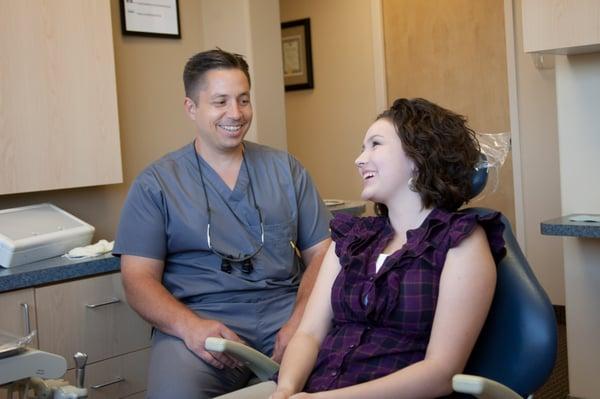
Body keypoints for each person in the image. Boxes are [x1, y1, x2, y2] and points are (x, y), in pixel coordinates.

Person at [222, 98, 507, 399]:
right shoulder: (351, 238)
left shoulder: (460, 242)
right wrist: (286, 390)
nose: (360, 159)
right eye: (362, 147)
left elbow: (440, 372)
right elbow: (308, 334)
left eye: (375, 144)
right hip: (312, 389)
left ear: (418, 156)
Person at [113, 49, 331, 398]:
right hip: (201, 324)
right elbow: (137, 279)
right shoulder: (157, 183)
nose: (236, 113)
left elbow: (323, 253)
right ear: (191, 108)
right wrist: (191, 328)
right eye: (220, 102)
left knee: (343, 380)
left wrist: (301, 320)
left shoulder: (285, 170)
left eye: (243, 100)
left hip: (285, 315)